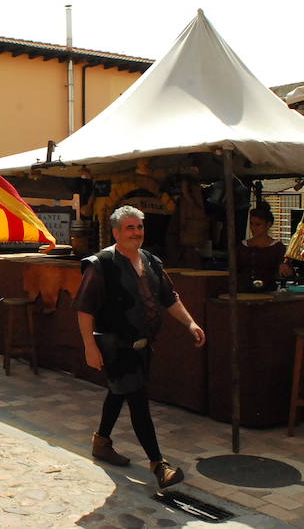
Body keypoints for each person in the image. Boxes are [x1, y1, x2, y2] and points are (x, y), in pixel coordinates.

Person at [75, 205, 206, 489]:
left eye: (139, 227)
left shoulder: (150, 261)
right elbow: (84, 308)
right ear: (116, 232)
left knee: (118, 391)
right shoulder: (101, 264)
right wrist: (89, 346)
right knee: (137, 399)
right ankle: (158, 463)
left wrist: (190, 324)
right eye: (130, 228)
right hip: (115, 346)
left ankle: (101, 442)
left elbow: (169, 297)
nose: (136, 233)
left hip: (143, 346)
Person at [237, 203, 294, 292]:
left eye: (258, 224)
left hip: (268, 291)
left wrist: (285, 268)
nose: (253, 228)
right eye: (252, 224)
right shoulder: (242, 246)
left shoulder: (278, 247)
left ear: (268, 225)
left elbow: (288, 270)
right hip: (243, 291)